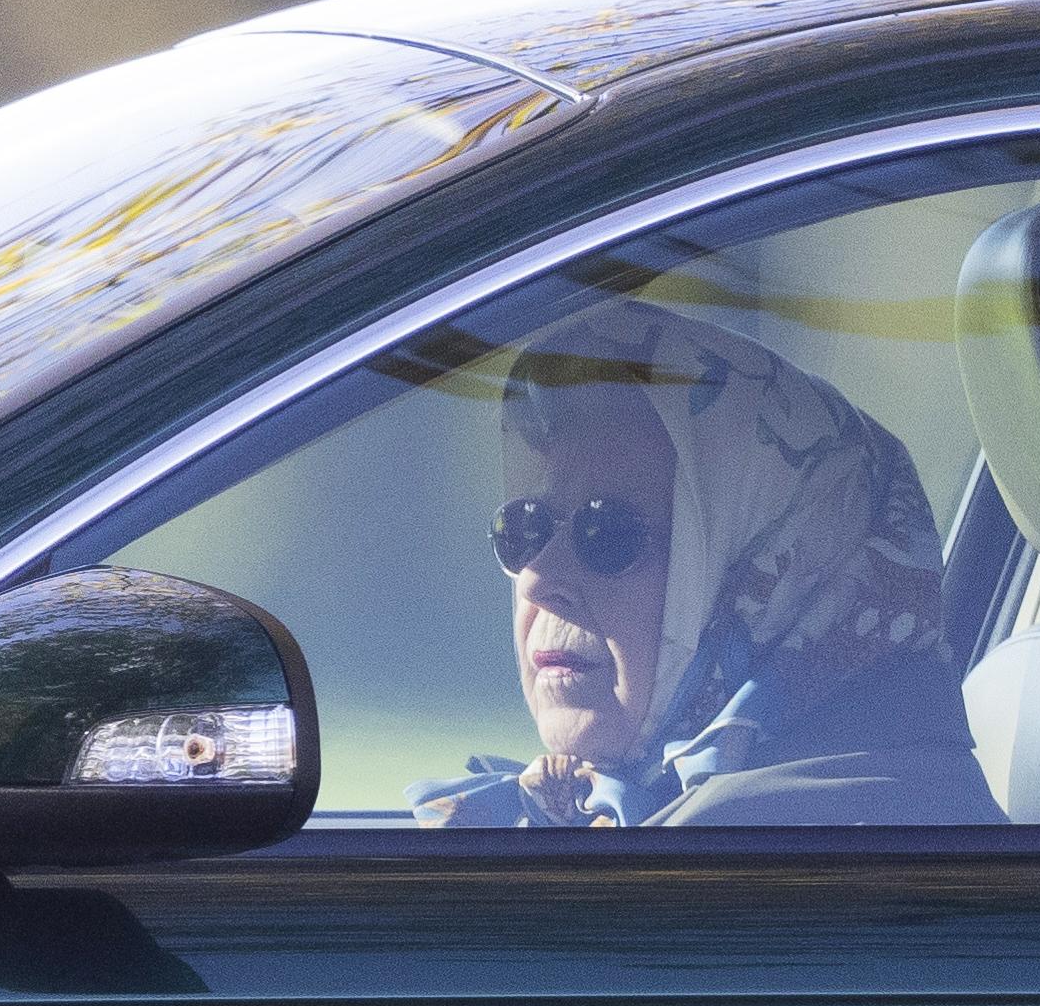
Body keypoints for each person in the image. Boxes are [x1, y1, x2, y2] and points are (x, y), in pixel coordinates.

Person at [409, 299, 1004, 828]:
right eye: (526, 528)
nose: (537, 577)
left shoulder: (786, 839)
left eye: (604, 532)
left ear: (768, 578)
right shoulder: (683, 808)